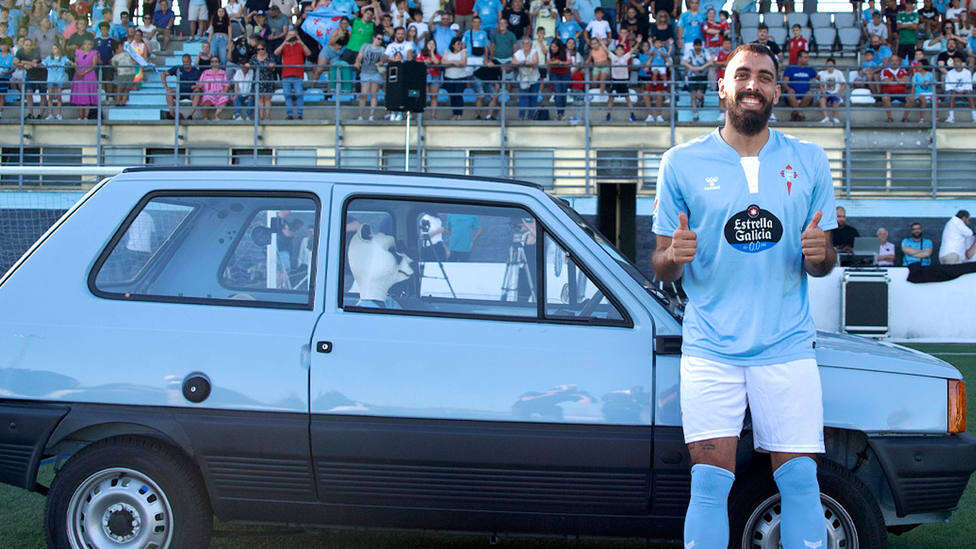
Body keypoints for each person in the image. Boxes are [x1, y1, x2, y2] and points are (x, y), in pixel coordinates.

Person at [651, 42, 835, 549]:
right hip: (711, 348)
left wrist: (821, 253)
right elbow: (661, 261)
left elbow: (822, 263)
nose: (753, 84)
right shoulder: (680, 163)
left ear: (777, 89)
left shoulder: (810, 160)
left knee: (800, 482)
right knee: (709, 485)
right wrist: (675, 256)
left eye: (765, 76)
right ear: (723, 85)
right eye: (743, 74)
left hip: (787, 345)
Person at [274, 28, 310, 120]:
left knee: (299, 94)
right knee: (287, 95)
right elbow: (276, 52)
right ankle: (289, 114)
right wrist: (284, 42)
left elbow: (308, 53)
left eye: (293, 35)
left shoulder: (300, 45)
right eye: (290, 35)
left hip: (298, 75)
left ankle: (300, 114)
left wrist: (300, 41)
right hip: (286, 74)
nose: (291, 37)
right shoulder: (284, 45)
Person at [355, 32, 385, 121]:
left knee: (373, 95)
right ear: (374, 38)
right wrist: (357, 61)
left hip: (376, 73)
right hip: (365, 72)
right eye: (378, 38)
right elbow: (360, 56)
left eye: (381, 39)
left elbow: (383, 60)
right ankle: (360, 115)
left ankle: (371, 115)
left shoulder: (382, 49)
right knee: (363, 94)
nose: (380, 41)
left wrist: (380, 62)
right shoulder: (366, 46)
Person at [163, 53, 203, 120]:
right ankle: (172, 114)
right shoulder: (178, 68)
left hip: (191, 93)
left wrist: (196, 87)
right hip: (179, 92)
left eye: (187, 62)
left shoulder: (196, 71)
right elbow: (163, 74)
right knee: (168, 92)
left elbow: (201, 84)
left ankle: (190, 115)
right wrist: (165, 86)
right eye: (184, 62)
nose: (185, 63)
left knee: (198, 92)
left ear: (190, 61)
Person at [15, 37, 46, 119]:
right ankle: (31, 114)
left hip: (41, 75)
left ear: (32, 46)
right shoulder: (20, 51)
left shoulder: (36, 51)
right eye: (26, 45)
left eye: (30, 45)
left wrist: (22, 62)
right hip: (30, 75)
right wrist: (23, 65)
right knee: (28, 93)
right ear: (23, 45)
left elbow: (34, 63)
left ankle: (40, 114)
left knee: (42, 95)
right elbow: (14, 62)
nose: (28, 46)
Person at [682, 38, 711, 121]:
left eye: (699, 45)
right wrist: (691, 67)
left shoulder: (705, 51)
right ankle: (695, 114)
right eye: (696, 45)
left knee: (699, 95)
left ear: (701, 46)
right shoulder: (690, 52)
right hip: (692, 76)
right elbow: (682, 61)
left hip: (702, 76)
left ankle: (701, 100)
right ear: (694, 46)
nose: (698, 47)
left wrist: (701, 67)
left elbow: (711, 61)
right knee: (693, 95)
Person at [782, 50, 816, 121]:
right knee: (789, 94)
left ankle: (795, 113)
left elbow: (817, 79)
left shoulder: (810, 69)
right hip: (793, 95)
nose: (807, 59)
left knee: (810, 94)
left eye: (807, 57)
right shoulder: (791, 68)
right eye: (805, 57)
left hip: (805, 96)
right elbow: (784, 82)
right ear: (799, 58)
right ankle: (800, 114)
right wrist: (789, 89)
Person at [70, 38, 99, 120]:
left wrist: (84, 72)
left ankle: (86, 116)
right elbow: (76, 63)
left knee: (87, 96)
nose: (87, 46)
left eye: (89, 44)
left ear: (92, 46)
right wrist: (77, 71)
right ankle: (80, 116)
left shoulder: (94, 53)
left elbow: (94, 65)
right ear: (83, 45)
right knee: (79, 95)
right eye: (85, 44)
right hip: (78, 76)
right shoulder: (78, 52)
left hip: (89, 76)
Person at [512, 35, 540, 120]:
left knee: (533, 98)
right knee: (523, 98)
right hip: (522, 78)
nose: (526, 45)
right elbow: (513, 62)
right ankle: (521, 116)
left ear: (530, 44)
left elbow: (535, 61)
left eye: (528, 43)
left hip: (534, 78)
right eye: (524, 43)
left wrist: (523, 63)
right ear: (522, 44)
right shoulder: (518, 53)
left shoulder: (534, 51)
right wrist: (524, 62)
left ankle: (530, 116)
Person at [607, 42, 636, 121]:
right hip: (615, 81)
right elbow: (606, 50)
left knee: (627, 98)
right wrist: (600, 41)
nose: (619, 51)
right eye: (618, 50)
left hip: (623, 81)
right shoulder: (613, 57)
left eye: (621, 50)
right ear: (615, 51)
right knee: (611, 98)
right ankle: (608, 115)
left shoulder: (625, 57)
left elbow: (632, 51)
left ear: (623, 51)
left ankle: (632, 115)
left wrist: (638, 42)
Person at [442, 36, 468, 120]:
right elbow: (443, 62)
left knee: (458, 95)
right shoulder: (447, 51)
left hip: (460, 77)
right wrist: (454, 62)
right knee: (452, 96)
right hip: (449, 77)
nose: (459, 46)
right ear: (453, 45)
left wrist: (449, 63)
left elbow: (463, 62)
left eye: (460, 44)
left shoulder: (464, 51)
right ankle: (455, 114)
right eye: (458, 44)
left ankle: (459, 114)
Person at [944, 54, 975, 123]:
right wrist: (956, 90)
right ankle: (951, 117)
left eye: (957, 61)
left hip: (965, 91)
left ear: (961, 63)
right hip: (953, 91)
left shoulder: (967, 72)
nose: (956, 63)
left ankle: (974, 116)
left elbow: (969, 85)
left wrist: (962, 90)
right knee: (952, 94)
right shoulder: (949, 73)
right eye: (954, 61)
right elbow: (948, 86)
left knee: (969, 93)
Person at [249, 39, 276, 120]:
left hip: (268, 80)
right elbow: (250, 64)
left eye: (262, 49)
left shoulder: (270, 56)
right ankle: (261, 116)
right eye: (258, 49)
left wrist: (272, 66)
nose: (260, 51)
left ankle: (267, 115)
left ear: (265, 48)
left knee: (267, 98)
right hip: (258, 80)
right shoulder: (254, 57)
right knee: (260, 99)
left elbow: (273, 68)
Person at [416, 37, 442, 118]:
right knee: (424, 96)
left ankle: (433, 115)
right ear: (426, 45)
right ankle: (420, 115)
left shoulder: (437, 54)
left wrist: (431, 52)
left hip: (435, 76)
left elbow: (436, 62)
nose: (431, 45)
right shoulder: (421, 53)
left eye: (433, 44)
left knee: (434, 96)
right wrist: (424, 61)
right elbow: (417, 62)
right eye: (429, 44)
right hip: (424, 76)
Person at [42, 44, 69, 119]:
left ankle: (59, 114)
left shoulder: (64, 58)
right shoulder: (48, 58)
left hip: (59, 80)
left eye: (56, 48)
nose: (54, 50)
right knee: (50, 97)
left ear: (59, 49)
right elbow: (42, 64)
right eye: (53, 48)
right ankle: (50, 114)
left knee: (58, 97)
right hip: (50, 80)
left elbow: (70, 63)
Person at [879, 54, 908, 123]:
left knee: (911, 98)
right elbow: (885, 82)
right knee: (885, 97)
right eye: (892, 61)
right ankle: (890, 118)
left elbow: (905, 81)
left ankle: (905, 118)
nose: (894, 62)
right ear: (889, 62)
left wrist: (892, 80)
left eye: (896, 61)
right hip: (889, 92)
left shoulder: (903, 70)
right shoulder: (884, 70)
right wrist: (899, 80)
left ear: (899, 62)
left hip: (901, 92)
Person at [547, 38, 571, 120]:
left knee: (563, 93)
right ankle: (559, 113)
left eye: (554, 47)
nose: (552, 48)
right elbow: (548, 61)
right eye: (552, 47)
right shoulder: (549, 51)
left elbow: (569, 61)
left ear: (559, 47)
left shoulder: (565, 51)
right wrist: (555, 62)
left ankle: (562, 112)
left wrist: (561, 63)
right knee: (557, 92)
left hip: (565, 73)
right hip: (555, 73)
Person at [817, 57, 846, 124]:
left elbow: (844, 84)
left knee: (835, 101)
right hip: (827, 92)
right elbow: (821, 85)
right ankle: (826, 117)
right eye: (828, 65)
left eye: (831, 65)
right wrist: (824, 93)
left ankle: (835, 117)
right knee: (822, 100)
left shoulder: (839, 73)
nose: (829, 67)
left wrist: (839, 93)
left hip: (835, 92)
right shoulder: (823, 73)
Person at [111, 40, 136, 107]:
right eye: (120, 46)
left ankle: (123, 101)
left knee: (127, 88)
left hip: (131, 73)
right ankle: (118, 101)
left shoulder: (127, 53)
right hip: (122, 74)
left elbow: (132, 59)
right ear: (116, 49)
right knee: (120, 88)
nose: (122, 47)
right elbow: (114, 66)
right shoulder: (115, 58)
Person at [0, 38, 13, 118]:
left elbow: (13, 69)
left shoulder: (10, 57)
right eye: (2, 45)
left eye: (5, 45)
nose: (3, 47)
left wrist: (6, 73)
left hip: (4, 78)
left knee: (2, 96)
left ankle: (0, 113)